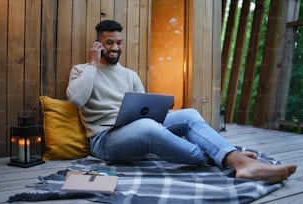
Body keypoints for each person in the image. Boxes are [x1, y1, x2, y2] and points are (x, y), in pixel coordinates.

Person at [66, 19, 296, 184]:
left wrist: (158, 109)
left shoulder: (130, 75)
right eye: (108, 43)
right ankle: (230, 159)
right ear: (98, 44)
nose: (115, 48)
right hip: (105, 140)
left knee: (189, 114)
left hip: (135, 129)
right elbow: (77, 99)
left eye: (118, 42)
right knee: (147, 127)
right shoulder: (82, 70)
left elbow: (142, 111)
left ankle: (235, 160)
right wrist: (93, 64)